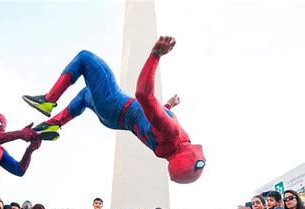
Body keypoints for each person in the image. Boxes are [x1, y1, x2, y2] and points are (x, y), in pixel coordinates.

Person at [23, 36, 205, 184]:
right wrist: (168, 106)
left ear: (187, 156)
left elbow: (143, 95)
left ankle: (48, 101)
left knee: (85, 57)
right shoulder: (165, 149)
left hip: (116, 104)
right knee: (85, 94)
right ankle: (52, 125)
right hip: (112, 119)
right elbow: (153, 122)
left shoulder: (171, 133)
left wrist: (155, 55)